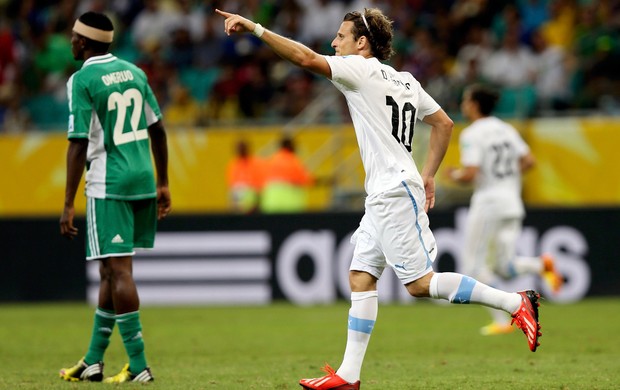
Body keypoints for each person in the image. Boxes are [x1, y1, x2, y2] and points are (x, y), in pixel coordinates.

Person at [216, 7, 544, 390]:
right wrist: (429, 174)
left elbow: (305, 58)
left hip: (392, 191)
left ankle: (514, 302)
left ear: (362, 43)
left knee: (420, 284)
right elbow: (443, 123)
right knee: (361, 276)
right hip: (388, 190)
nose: (333, 43)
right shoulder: (404, 80)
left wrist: (256, 28)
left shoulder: (359, 69)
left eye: (340, 36)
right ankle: (349, 376)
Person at [58, 11, 170, 384]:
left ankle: (138, 365)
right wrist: (164, 182)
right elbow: (158, 129)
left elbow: (77, 145)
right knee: (110, 268)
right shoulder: (135, 72)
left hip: (109, 181)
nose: (70, 41)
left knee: (118, 270)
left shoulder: (83, 79)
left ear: (85, 43)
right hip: (142, 176)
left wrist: (68, 203)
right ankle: (92, 361)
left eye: (74, 37)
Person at [446, 84, 564, 336]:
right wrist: (507, 179)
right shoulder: (507, 129)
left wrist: (454, 174)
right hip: (512, 201)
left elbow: (471, 173)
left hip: (489, 204)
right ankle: (540, 264)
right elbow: (529, 161)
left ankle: (501, 321)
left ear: (475, 105)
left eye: (466, 100)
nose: (464, 104)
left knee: (473, 266)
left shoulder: (472, 134)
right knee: (503, 267)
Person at [260, 136, 314, 213]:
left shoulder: (270, 161)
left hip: (270, 205)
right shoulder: (293, 161)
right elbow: (308, 180)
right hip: (289, 206)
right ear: (290, 146)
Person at [226, 139, 265, 214]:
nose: (240, 151)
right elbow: (232, 188)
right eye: (238, 149)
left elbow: (261, 187)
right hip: (238, 205)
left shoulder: (257, 163)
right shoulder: (233, 165)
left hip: (254, 205)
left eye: (242, 148)